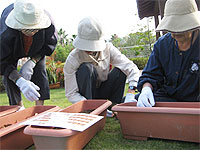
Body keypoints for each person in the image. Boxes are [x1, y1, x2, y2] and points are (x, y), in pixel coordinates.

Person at [64, 16, 140, 116]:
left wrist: (131, 91)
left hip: (104, 90)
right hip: (87, 96)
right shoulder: (73, 58)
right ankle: (91, 110)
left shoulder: (108, 49)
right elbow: (71, 93)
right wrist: (91, 106)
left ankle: (115, 106)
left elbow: (131, 67)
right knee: (86, 68)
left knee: (120, 70)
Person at [136, 0, 200, 107]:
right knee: (135, 100)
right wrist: (146, 89)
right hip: (168, 98)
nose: (176, 33)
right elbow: (150, 75)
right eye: (172, 28)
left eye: (181, 28)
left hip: (195, 101)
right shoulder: (162, 45)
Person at [0, 0, 58, 108]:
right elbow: (3, 61)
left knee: (40, 68)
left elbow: (48, 46)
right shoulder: (5, 32)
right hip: (12, 51)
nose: (31, 33)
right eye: (26, 29)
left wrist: (33, 61)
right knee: (10, 76)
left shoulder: (49, 25)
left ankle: (39, 109)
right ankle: (18, 108)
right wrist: (20, 80)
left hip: (37, 49)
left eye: (35, 29)